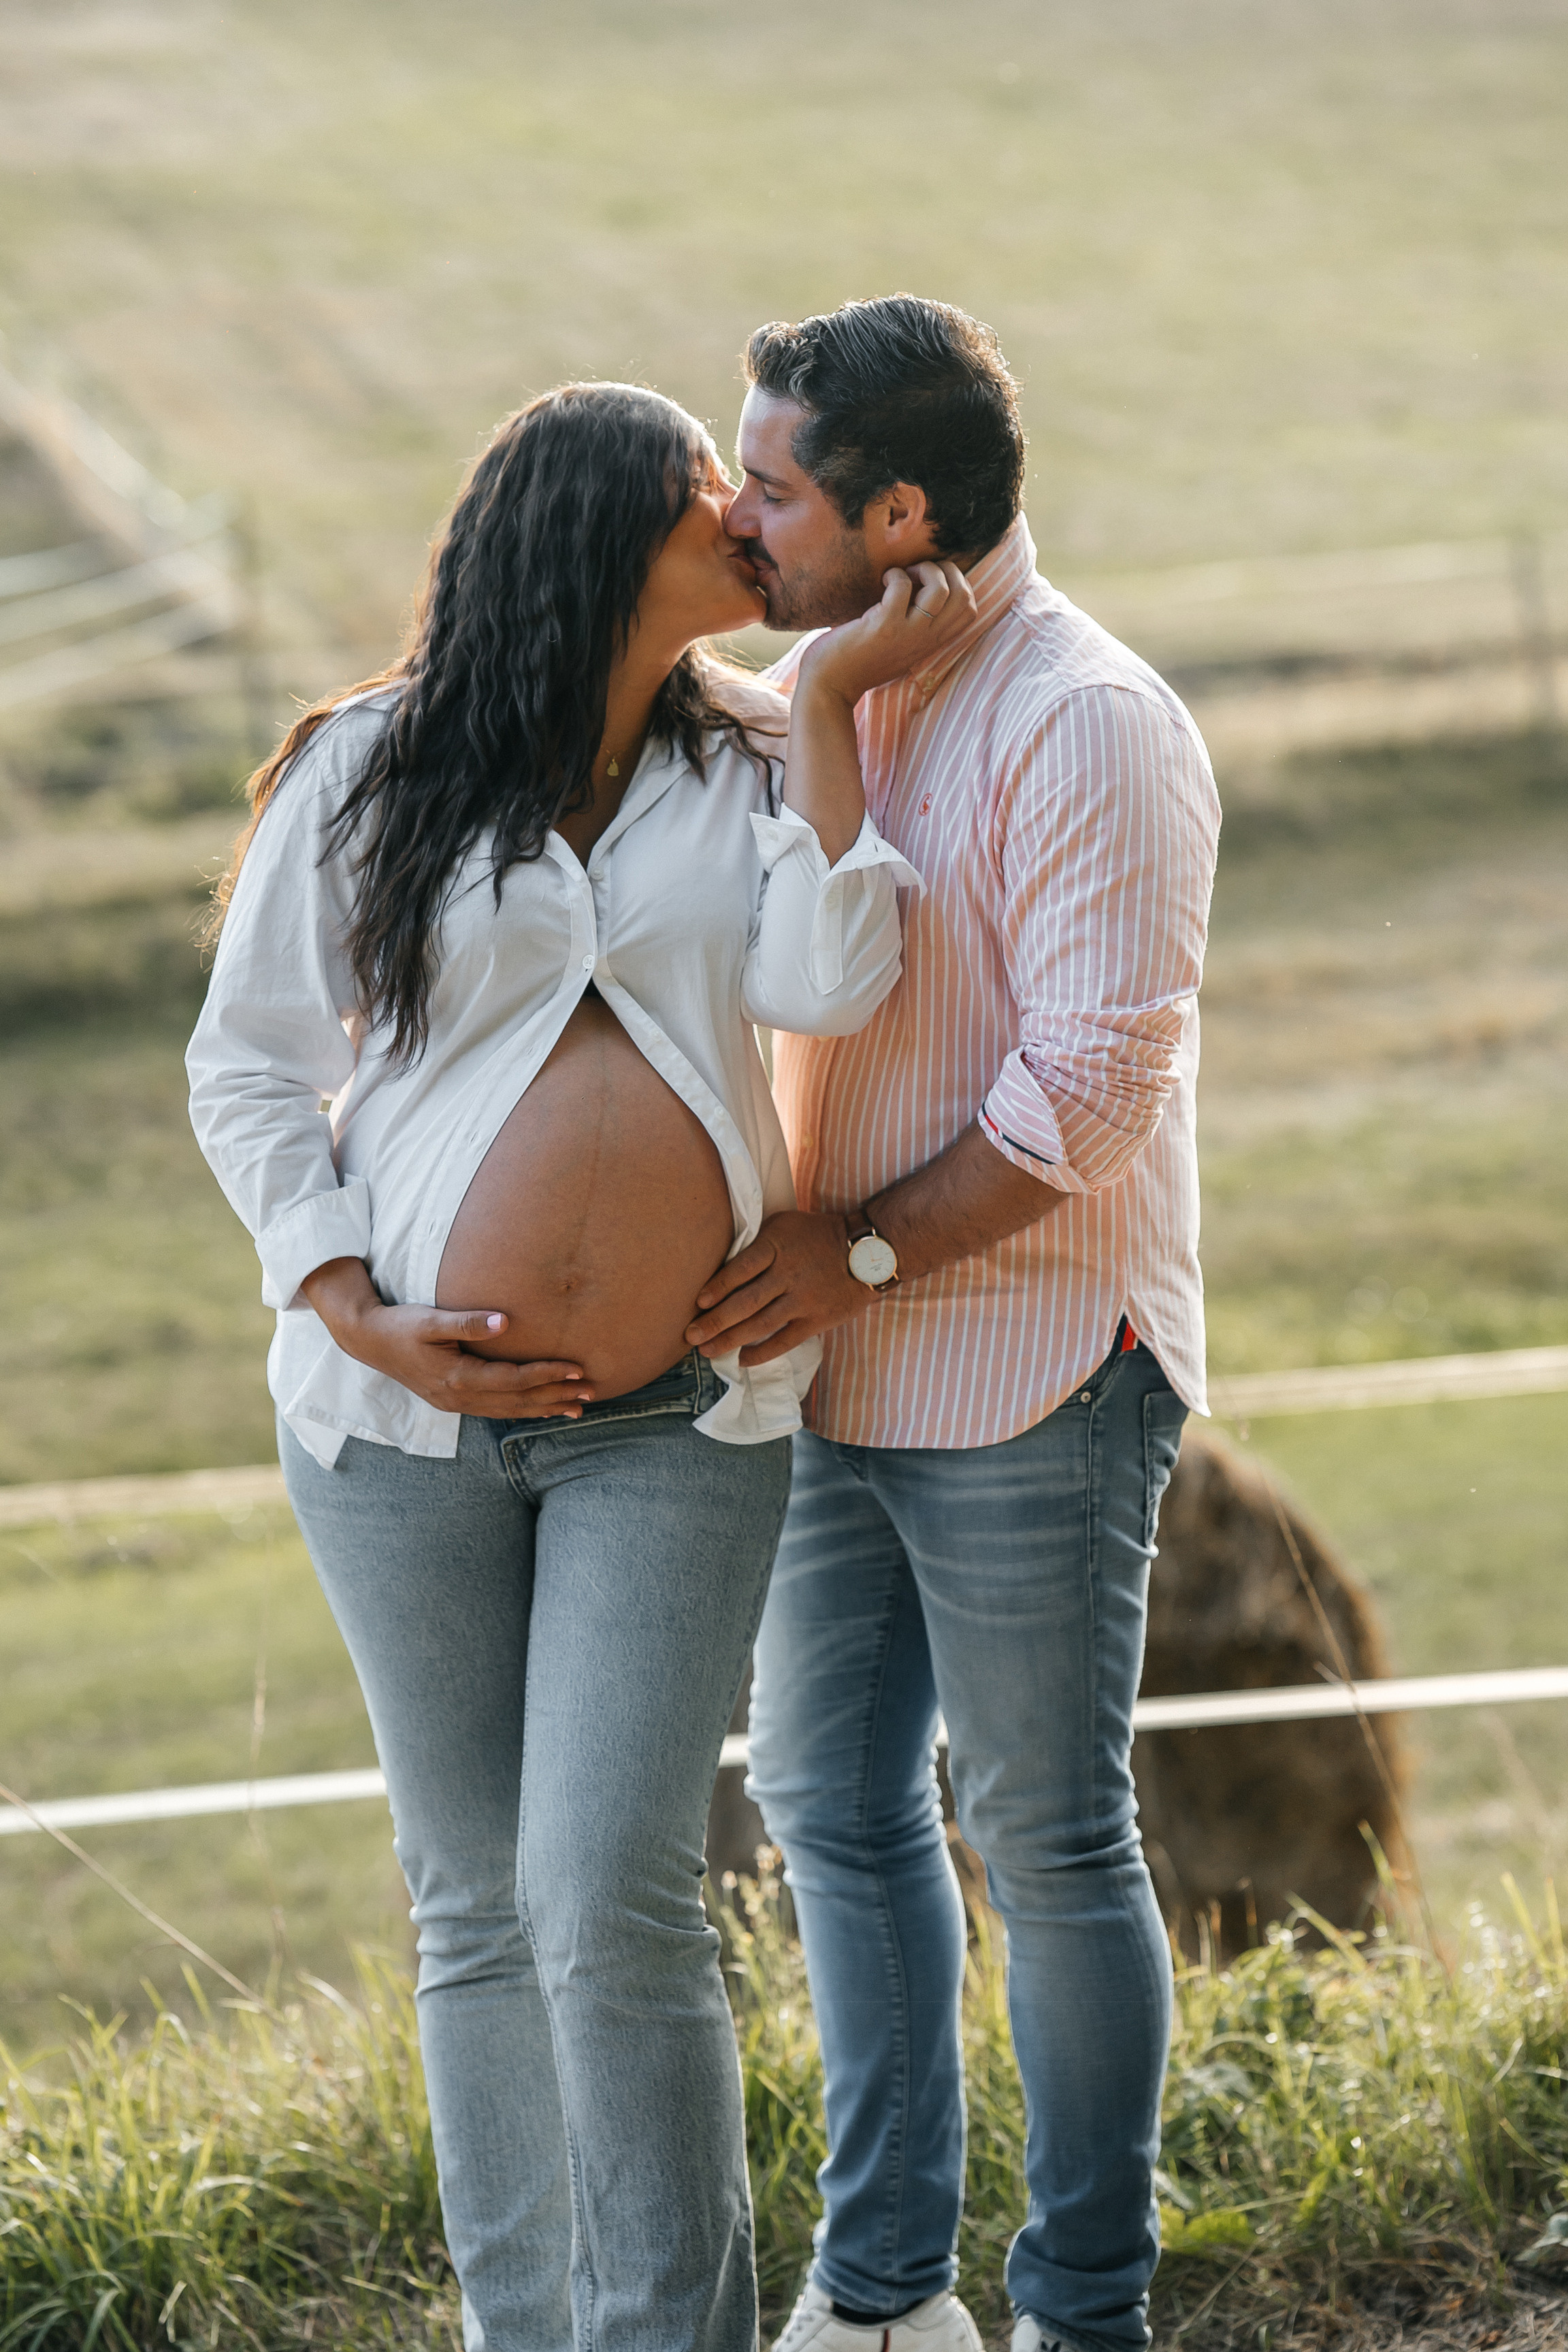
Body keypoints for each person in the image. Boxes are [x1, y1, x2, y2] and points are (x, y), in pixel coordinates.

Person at [187, 380, 975, 2352]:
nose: (746, 510)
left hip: (676, 1431)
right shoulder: (370, 766)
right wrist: (345, 1294)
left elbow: (827, 981)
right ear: (592, 535)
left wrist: (816, 720)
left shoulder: (745, 765)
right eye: (704, 487)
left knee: (612, 1896)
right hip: (396, 1432)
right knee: (472, 1907)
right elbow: (248, 1064)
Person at [687, 299, 1222, 2352]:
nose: (744, 514)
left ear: (902, 510)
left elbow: (1087, 1098)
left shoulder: (1090, 721)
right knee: (827, 1796)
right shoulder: (831, 683)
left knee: (1050, 1836)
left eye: (780, 485)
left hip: (1030, 1364)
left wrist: (858, 1257)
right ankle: (888, 2289)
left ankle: (1087, 2311)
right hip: (842, 1365)